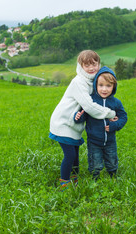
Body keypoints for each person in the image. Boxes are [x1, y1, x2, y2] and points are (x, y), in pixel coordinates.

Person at [49, 50, 116, 190]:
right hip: (63, 122)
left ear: (99, 63)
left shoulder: (92, 81)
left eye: (94, 64)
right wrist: (110, 113)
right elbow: (89, 106)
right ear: (81, 66)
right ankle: (64, 182)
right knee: (70, 154)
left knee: (75, 153)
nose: (92, 68)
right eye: (87, 65)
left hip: (74, 124)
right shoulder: (79, 82)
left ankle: (74, 178)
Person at [74, 66, 127, 180]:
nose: (104, 89)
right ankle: (95, 179)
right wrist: (78, 116)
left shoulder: (116, 102)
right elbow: (84, 114)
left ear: (113, 87)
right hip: (94, 140)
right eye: (101, 85)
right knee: (95, 161)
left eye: (108, 86)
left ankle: (113, 175)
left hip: (110, 140)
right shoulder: (91, 100)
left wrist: (114, 125)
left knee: (112, 159)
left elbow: (123, 117)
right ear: (95, 85)